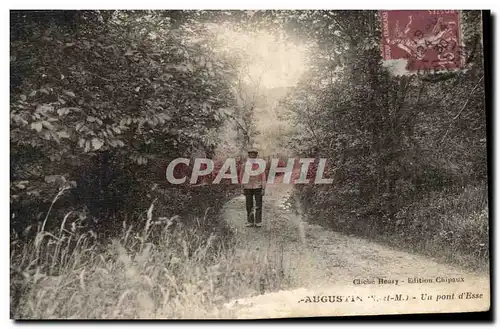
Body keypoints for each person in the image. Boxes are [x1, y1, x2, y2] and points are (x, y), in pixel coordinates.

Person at [239, 148, 266, 227]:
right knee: (249, 205)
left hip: (258, 187)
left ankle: (258, 221)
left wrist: (263, 188)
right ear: (249, 155)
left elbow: (263, 177)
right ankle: (250, 221)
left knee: (258, 205)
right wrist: (242, 187)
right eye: (251, 155)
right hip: (247, 187)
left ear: (256, 156)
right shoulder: (244, 165)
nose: (253, 156)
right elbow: (241, 176)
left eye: (254, 155)